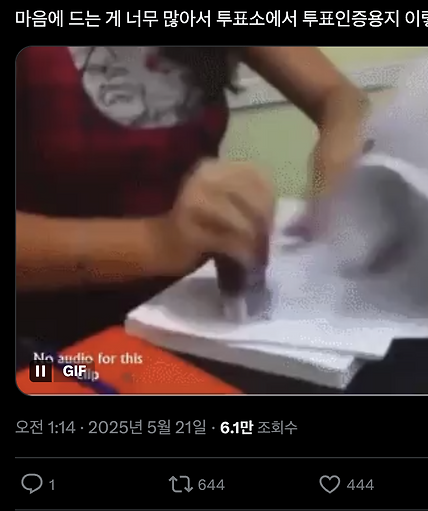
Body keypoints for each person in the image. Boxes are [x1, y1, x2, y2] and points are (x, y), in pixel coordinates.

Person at [16, 46, 369, 353]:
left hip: (192, 321)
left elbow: (339, 96)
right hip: (53, 339)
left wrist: (339, 144)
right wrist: (158, 241)